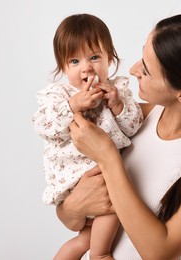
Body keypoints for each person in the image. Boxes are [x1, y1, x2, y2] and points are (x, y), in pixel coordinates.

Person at [58, 14, 181, 259]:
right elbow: (70, 219)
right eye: (142, 56)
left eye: (147, 70)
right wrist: (72, 207)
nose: (132, 70)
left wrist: (108, 157)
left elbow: (159, 252)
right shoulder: (132, 120)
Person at [32, 14, 143, 260]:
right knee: (115, 203)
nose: (87, 67)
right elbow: (44, 127)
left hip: (104, 170)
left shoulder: (118, 90)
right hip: (74, 174)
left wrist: (117, 105)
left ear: (110, 59)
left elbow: (134, 127)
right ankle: (101, 254)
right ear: (63, 67)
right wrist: (72, 105)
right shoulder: (58, 95)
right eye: (74, 61)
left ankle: (85, 251)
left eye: (94, 57)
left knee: (85, 237)